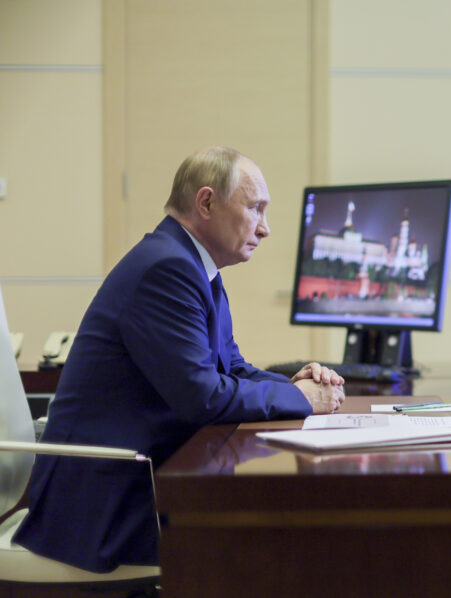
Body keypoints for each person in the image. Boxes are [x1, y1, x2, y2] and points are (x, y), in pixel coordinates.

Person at [13, 146, 346, 572]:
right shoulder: (166, 269)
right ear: (206, 202)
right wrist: (303, 400)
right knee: (276, 545)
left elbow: (232, 367)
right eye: (255, 208)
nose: (265, 228)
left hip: (141, 479)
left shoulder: (193, 265)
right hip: (107, 505)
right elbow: (202, 397)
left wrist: (293, 384)